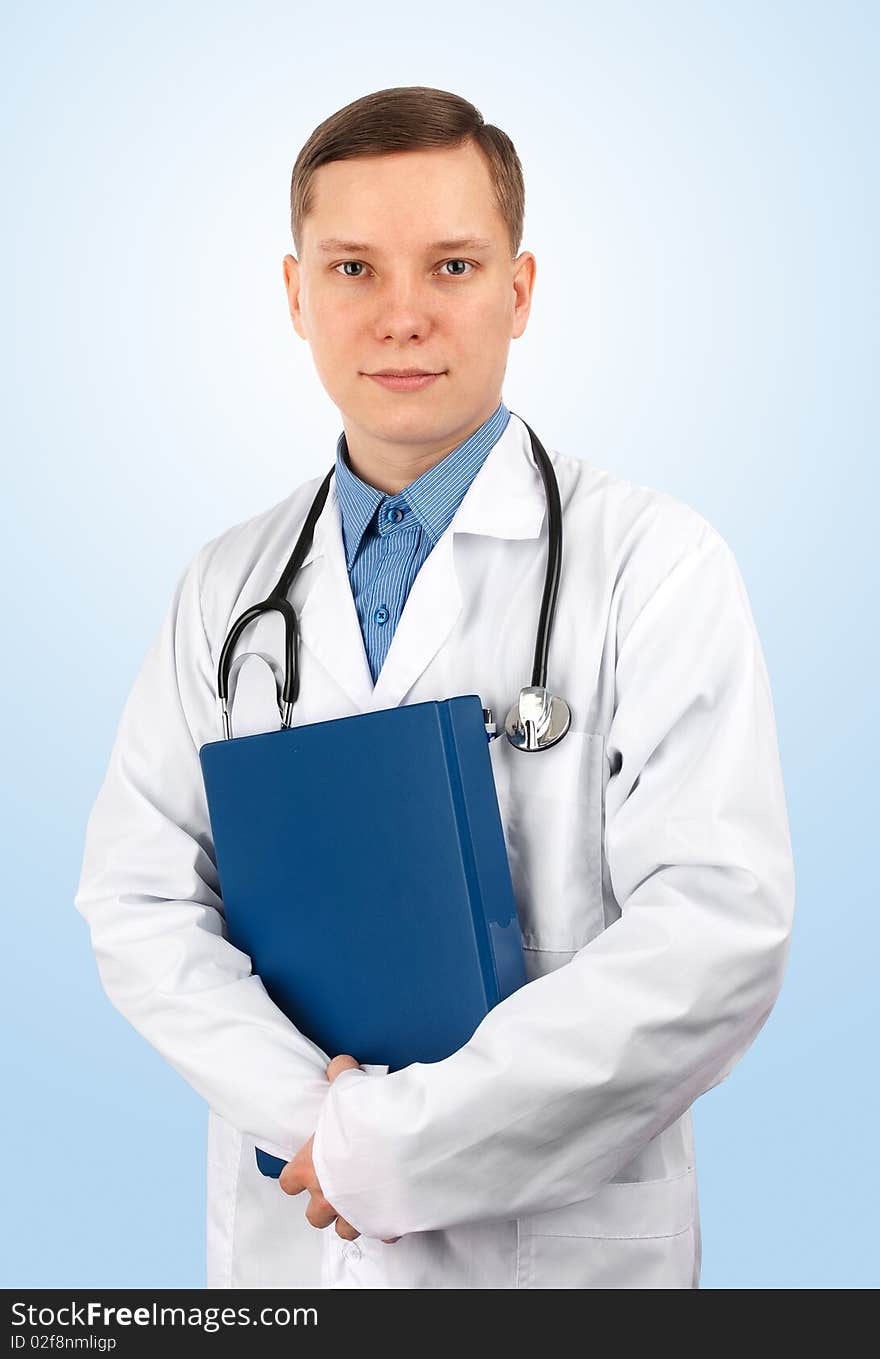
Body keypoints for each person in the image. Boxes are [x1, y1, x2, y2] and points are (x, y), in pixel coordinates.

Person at [74, 85, 796, 1290]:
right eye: (353, 269)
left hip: (557, 1265)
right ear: (294, 295)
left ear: (517, 292)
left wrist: (391, 1146)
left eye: (451, 265)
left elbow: (713, 940)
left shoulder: (654, 567)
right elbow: (139, 900)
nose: (401, 315)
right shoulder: (223, 588)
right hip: (291, 1261)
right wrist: (316, 1121)